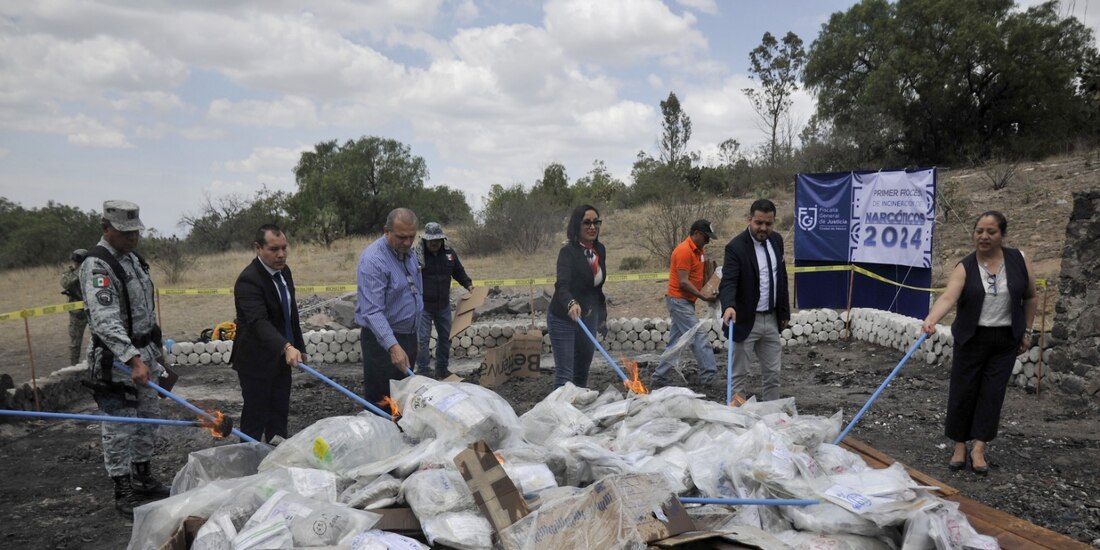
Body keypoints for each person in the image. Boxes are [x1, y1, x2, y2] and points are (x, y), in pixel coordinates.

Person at [921, 211, 1037, 475]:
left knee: (992, 393)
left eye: (991, 232)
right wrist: (931, 319)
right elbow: (948, 297)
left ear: (1002, 235)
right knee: (963, 392)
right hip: (972, 338)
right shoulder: (965, 266)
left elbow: (1030, 297)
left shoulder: (1019, 260)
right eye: (979, 231)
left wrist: (1027, 331)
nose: (984, 236)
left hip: (1005, 340)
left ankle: (979, 448)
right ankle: (959, 446)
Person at [79, 200, 170, 517]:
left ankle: (143, 477)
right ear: (106, 228)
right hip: (117, 361)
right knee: (120, 426)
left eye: (135, 232)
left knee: (148, 419)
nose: (133, 237)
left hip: (145, 353)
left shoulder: (134, 260)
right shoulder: (98, 266)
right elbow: (105, 321)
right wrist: (133, 360)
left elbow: (145, 312)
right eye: (125, 232)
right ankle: (123, 489)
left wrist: (156, 353)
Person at [229, 224, 306, 443]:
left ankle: (277, 457)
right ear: (258, 248)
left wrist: (298, 346)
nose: (281, 254)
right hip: (256, 362)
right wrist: (286, 347)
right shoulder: (249, 280)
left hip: (281, 359)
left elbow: (290, 313)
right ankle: (247, 460)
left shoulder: (285, 272)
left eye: (284, 248)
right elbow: (258, 322)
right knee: (255, 419)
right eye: (274, 249)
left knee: (279, 416)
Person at [719, 199, 790, 401]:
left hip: (771, 320)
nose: (763, 228)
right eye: (759, 222)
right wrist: (729, 306)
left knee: (773, 375)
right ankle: (737, 417)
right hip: (744, 320)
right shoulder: (735, 247)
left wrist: (784, 311)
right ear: (749, 219)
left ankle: (771, 414)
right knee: (738, 376)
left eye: (768, 223)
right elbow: (729, 281)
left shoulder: (777, 241)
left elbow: (781, 277)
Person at [356, 208, 422, 410]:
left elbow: (414, 291)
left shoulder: (409, 254)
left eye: (411, 237)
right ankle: (381, 428)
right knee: (383, 402)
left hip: (407, 337)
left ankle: (400, 429)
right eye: (402, 237)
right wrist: (393, 346)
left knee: (404, 400)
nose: (408, 243)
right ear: (387, 231)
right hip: (382, 342)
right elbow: (372, 311)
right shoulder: (373, 260)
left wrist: (414, 337)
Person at [652, 220, 719, 386]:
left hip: (686, 302)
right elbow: (683, 282)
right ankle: (709, 376)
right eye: (706, 237)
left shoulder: (699, 251)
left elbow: (698, 276)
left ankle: (659, 377)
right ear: (696, 233)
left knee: (676, 343)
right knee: (699, 336)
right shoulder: (684, 251)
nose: (708, 241)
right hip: (678, 301)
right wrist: (703, 296)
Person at [548, 204, 608, 388]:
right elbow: (562, 285)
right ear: (577, 225)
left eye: (596, 222)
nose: (592, 227)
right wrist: (571, 303)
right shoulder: (568, 252)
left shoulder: (600, 250)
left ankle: (579, 404)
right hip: (563, 318)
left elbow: (596, 289)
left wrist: (602, 317)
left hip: (588, 317)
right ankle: (561, 405)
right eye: (587, 223)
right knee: (566, 375)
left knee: (582, 371)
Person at [414, 222, 474, 379]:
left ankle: (442, 369)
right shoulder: (415, 256)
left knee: (446, 338)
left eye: (437, 240)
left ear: (442, 239)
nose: (434, 243)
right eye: (431, 240)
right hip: (423, 306)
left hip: (443, 305)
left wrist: (468, 284)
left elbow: (458, 271)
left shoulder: (449, 254)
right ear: (425, 240)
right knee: (422, 340)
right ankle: (423, 371)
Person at [61, 248, 89, 365]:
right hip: (77, 311)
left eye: (77, 261)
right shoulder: (70, 272)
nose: (75, 263)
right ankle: (74, 365)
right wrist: (79, 271)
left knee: (101, 339)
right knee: (75, 343)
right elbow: (65, 283)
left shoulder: (92, 271)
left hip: (93, 310)